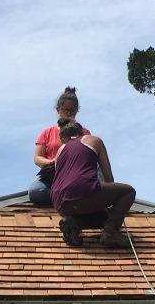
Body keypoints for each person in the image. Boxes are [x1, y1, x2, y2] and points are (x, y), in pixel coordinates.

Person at [51, 119, 136, 249]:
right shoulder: (93, 140)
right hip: (82, 190)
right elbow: (108, 176)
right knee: (128, 191)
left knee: (104, 218)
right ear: (82, 132)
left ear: (63, 138)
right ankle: (110, 233)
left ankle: (74, 223)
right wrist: (109, 201)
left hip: (59, 203)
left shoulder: (60, 151)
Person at [28, 86, 92, 206]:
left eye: (72, 111)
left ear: (77, 111)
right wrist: (53, 162)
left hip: (77, 174)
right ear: (58, 110)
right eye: (65, 110)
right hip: (53, 176)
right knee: (36, 191)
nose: (69, 114)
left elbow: (91, 156)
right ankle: (69, 197)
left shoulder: (85, 132)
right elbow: (37, 158)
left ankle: (64, 196)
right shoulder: (47, 132)